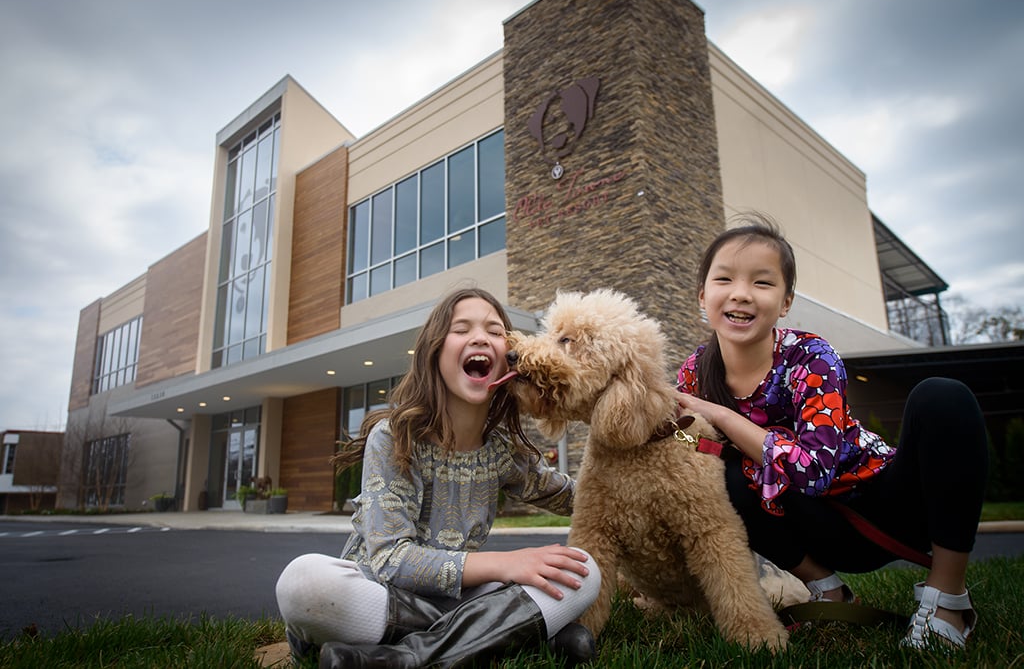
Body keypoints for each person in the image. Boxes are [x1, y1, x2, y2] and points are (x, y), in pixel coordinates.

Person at [674, 214, 988, 650]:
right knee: (713, 475)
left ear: (785, 302)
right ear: (702, 296)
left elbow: (814, 471)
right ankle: (827, 590)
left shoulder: (811, 356)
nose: (741, 293)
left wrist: (726, 419)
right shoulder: (694, 372)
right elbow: (683, 447)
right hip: (810, 527)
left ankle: (949, 600)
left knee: (942, 396)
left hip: (884, 505)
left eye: (762, 283)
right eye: (725, 278)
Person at [276, 287, 601, 668]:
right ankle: (512, 634)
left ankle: (403, 658)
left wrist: (641, 441)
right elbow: (390, 559)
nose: (480, 337)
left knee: (583, 570)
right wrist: (506, 564)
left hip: (458, 596)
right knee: (303, 582)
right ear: (435, 353)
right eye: (461, 329)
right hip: (380, 593)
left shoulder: (504, 451)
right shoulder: (395, 436)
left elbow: (581, 498)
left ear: (508, 364)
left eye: (495, 332)